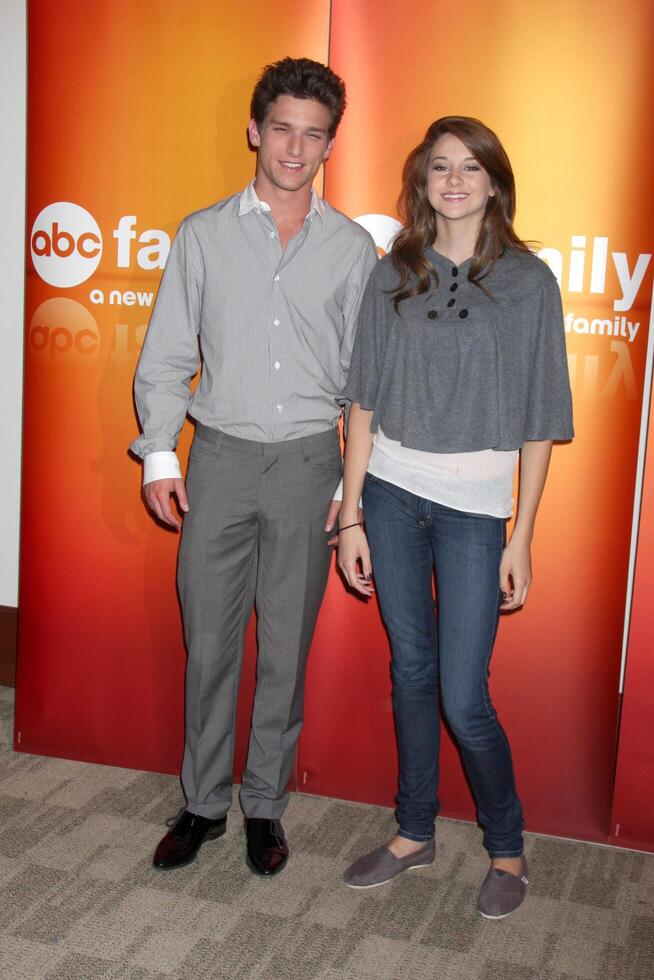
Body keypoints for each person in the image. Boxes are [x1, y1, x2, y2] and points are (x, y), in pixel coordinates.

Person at [131, 57, 378, 877]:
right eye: (282, 129)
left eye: (313, 135)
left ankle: (263, 806)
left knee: (285, 650)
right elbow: (166, 353)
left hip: (311, 464)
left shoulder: (351, 252)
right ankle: (202, 801)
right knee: (209, 643)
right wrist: (161, 454)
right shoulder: (202, 235)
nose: (295, 148)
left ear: (330, 144)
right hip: (222, 463)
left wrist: (350, 489)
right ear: (254, 130)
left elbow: (363, 385)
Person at [336, 116, 573, 918]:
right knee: (410, 671)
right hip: (392, 497)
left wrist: (523, 534)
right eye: (441, 166)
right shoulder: (391, 272)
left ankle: (507, 850)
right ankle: (414, 832)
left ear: (495, 181)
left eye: (471, 166)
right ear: (422, 180)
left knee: (464, 696)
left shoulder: (529, 283)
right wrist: (351, 515)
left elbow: (542, 419)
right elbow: (363, 400)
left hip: (476, 512)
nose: (455, 179)